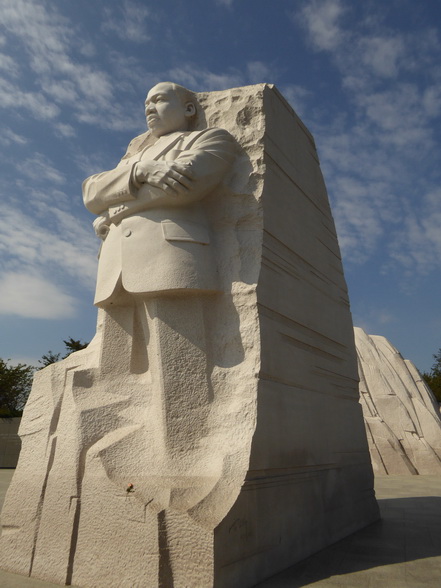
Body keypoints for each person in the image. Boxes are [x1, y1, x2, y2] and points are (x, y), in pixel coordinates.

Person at [83, 82, 236, 306]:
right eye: (146, 104)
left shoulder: (208, 138)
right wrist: (140, 171)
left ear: (189, 109)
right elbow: (91, 192)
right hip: (114, 267)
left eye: (159, 100)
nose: (149, 109)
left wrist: (112, 212)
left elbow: (183, 185)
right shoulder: (131, 159)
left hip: (169, 257)